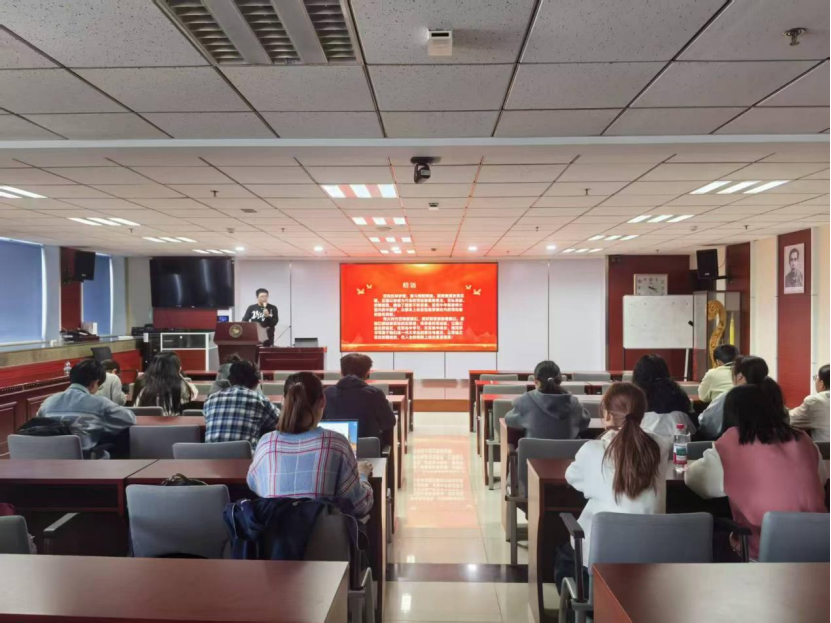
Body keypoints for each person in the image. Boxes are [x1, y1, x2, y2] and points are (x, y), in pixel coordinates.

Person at [686, 384, 827, 560]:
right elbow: (820, 480)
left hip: (762, 552)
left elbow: (697, 482)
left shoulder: (731, 443)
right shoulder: (803, 439)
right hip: (820, 547)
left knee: (710, 535)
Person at [557, 383, 672, 584]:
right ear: (642, 414)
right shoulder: (660, 447)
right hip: (650, 555)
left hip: (600, 559)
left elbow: (572, 477)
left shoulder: (592, 450)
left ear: (607, 415)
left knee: (564, 555)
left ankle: (584, 601)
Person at [248, 372, 374, 518]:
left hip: (274, 531)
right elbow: (359, 506)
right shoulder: (337, 443)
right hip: (322, 532)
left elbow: (254, 484)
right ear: (323, 401)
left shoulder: (266, 443)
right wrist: (362, 474)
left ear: (284, 400)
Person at [37, 360, 135, 459]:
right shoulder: (99, 403)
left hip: (49, 459)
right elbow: (129, 419)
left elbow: (38, 424)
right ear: (95, 383)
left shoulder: (48, 402)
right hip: (84, 460)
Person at [698, 356, 782, 440]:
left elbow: (706, 423)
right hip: (772, 441)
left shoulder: (730, 396)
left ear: (739, 376)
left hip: (735, 442)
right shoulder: (773, 393)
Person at [203, 360, 280, 448]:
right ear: (257, 382)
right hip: (245, 456)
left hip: (210, 455)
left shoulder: (211, 399)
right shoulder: (260, 400)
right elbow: (282, 422)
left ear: (230, 380)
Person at [505, 360, 590, 440]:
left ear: (536, 381)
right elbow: (584, 424)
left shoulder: (526, 401)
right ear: (560, 380)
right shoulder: (574, 404)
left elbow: (509, 420)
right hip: (569, 451)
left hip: (533, 451)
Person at [323, 354, 396, 442]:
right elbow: (389, 422)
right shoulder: (375, 394)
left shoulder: (326, 393)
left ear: (341, 372)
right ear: (367, 373)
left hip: (334, 446)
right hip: (367, 448)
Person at [632, 355, 696, 438]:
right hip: (678, 442)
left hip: (643, 443)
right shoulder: (677, 393)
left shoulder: (636, 397)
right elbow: (691, 427)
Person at [135, 352, 198, 417]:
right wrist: (180, 376)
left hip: (144, 421)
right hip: (174, 422)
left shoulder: (142, 383)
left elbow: (135, 408)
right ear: (175, 368)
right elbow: (192, 397)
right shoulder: (180, 385)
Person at [790, 364, 831, 442]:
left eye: (816, 378)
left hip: (824, 450)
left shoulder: (815, 401)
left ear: (821, 384)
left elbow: (789, 419)